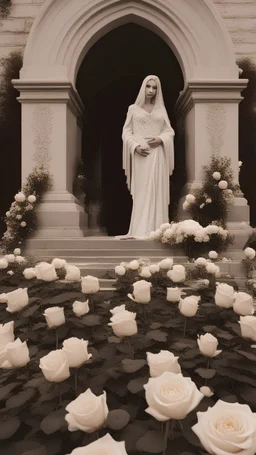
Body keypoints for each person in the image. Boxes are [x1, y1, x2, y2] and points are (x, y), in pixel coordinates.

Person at [117, 75, 175, 239]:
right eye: (148, 86)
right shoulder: (133, 109)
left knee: (157, 190)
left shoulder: (161, 110)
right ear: (143, 87)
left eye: (154, 87)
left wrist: (161, 139)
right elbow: (126, 132)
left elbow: (169, 130)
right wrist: (135, 146)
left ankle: (157, 229)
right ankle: (139, 229)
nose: (151, 90)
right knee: (142, 192)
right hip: (141, 155)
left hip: (157, 154)